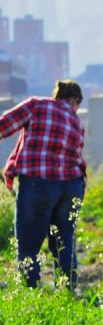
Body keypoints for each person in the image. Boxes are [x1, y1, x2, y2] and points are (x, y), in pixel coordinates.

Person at [0, 80, 86, 290]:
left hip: (38, 184)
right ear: (74, 99)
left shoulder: (36, 105)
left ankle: (31, 292)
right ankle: (68, 291)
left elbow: (4, 125)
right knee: (64, 243)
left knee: (29, 245)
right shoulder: (76, 122)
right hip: (71, 186)